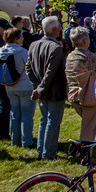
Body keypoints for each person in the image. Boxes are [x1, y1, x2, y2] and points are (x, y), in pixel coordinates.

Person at [27, 15, 68, 160]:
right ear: (56, 29)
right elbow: (51, 72)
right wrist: (39, 88)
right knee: (52, 122)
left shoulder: (33, 45)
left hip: (41, 89)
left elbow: (28, 68)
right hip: (54, 91)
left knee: (44, 120)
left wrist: (37, 87)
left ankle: (42, 150)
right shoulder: (55, 47)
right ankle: (48, 153)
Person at [65, 26, 96, 154]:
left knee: (86, 125)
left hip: (74, 95)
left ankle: (83, 151)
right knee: (89, 129)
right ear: (84, 41)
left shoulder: (70, 56)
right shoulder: (91, 57)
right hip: (88, 97)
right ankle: (85, 155)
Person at [0, 28, 35, 147]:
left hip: (10, 86)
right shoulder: (22, 52)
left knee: (15, 114)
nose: (22, 39)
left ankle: (15, 140)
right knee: (27, 115)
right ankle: (27, 140)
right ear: (16, 38)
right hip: (24, 85)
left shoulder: (2, 51)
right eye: (21, 37)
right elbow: (30, 67)